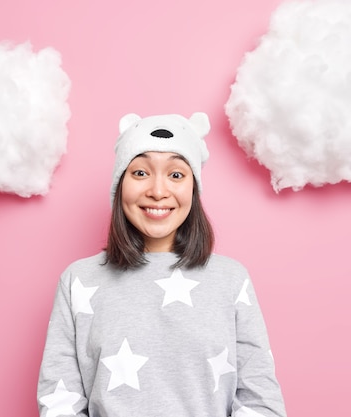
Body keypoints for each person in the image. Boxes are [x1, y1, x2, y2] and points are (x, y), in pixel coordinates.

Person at [37, 112, 287, 417]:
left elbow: (261, 402)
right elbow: (59, 404)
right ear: (120, 185)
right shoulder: (77, 281)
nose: (157, 191)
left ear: (193, 189)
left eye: (176, 174)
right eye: (140, 173)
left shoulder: (231, 279)